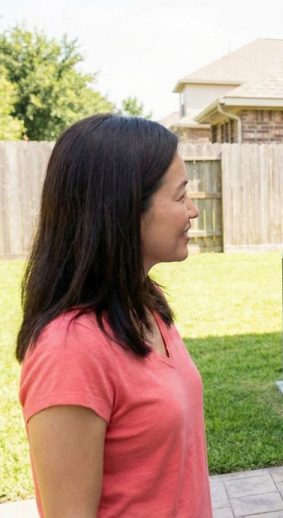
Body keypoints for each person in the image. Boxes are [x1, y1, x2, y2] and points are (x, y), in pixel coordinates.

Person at [16, 114, 212, 517]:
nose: (193, 211)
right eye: (179, 196)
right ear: (123, 208)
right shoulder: (69, 351)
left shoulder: (146, 305)